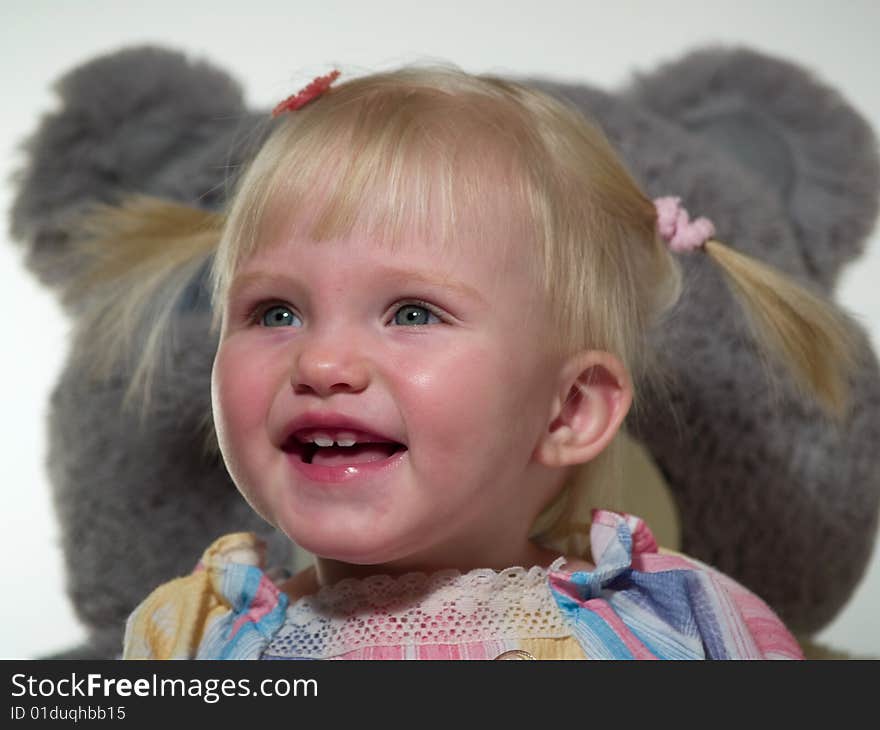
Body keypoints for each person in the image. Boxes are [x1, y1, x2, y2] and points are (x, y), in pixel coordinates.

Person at [100, 64, 857, 660]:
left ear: (569, 410)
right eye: (276, 312)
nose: (321, 359)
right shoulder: (192, 643)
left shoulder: (679, 630)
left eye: (413, 312)